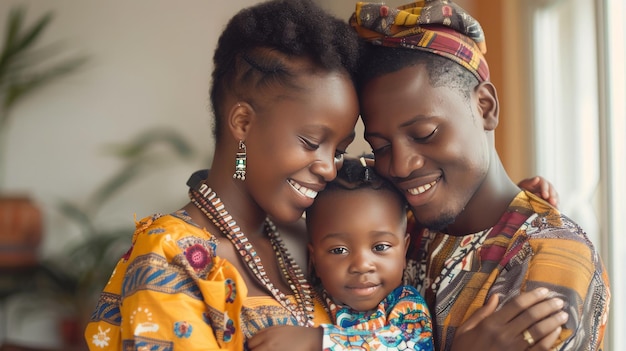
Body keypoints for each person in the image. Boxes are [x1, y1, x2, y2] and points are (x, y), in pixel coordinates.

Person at [84, 0, 362, 349]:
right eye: (311, 142)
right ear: (243, 122)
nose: (328, 167)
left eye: (339, 151)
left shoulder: (313, 247)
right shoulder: (171, 253)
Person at [349, 1, 610, 350]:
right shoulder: (394, 224)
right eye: (381, 147)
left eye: (425, 133)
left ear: (485, 107)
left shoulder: (549, 255)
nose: (400, 165)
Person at [306, 156, 434, 350]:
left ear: (404, 251)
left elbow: (411, 344)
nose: (362, 265)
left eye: (380, 247)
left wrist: (318, 341)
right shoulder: (308, 303)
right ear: (314, 260)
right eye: (339, 250)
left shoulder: (406, 304)